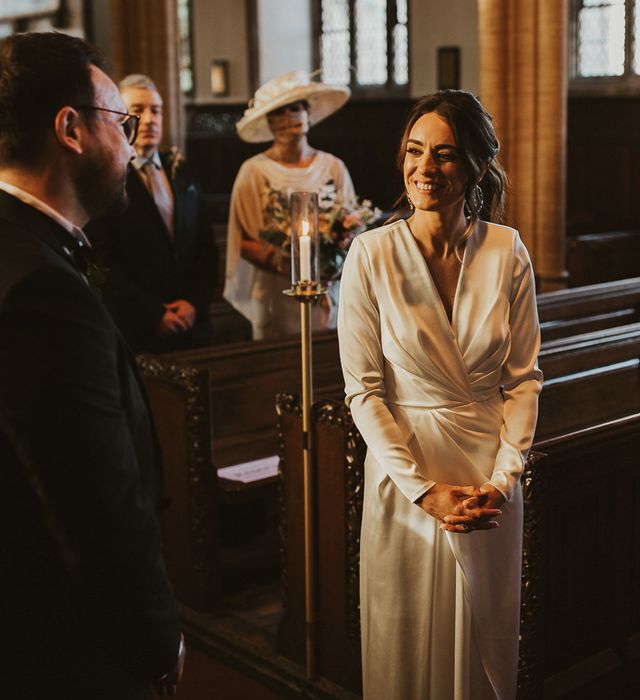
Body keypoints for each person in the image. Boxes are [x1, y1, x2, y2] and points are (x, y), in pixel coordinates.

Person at [337, 90, 543, 699]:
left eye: (446, 154)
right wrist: (424, 489)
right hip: (408, 478)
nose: (425, 168)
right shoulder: (371, 254)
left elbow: (525, 378)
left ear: (476, 164)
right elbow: (363, 391)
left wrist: (504, 479)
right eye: (414, 150)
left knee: (485, 635)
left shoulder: (507, 252)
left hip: (489, 480)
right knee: (408, 640)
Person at [0, 33, 183, 698]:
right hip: (67, 641)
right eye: (120, 121)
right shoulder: (45, 290)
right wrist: (157, 638)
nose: (132, 142)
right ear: (70, 129)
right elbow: (96, 503)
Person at [86, 73, 218, 353]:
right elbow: (102, 259)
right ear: (122, 117)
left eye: (155, 110)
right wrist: (153, 314)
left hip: (192, 325)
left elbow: (206, 246)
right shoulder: (108, 177)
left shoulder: (181, 171)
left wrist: (194, 303)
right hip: (137, 330)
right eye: (138, 111)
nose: (149, 119)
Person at [224, 70, 355, 339]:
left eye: (296, 109)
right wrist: (293, 266)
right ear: (269, 122)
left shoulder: (333, 167)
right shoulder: (253, 172)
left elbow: (352, 227)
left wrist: (332, 260)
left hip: (328, 287)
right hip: (276, 295)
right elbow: (244, 242)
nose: (290, 119)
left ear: (308, 114)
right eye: (280, 113)